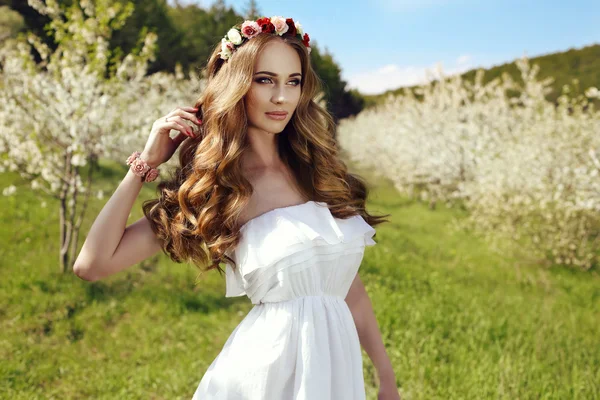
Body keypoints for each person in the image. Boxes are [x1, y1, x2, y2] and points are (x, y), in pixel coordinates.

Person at [74, 15, 400, 400]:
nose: (281, 98)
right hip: (264, 378)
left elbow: (348, 287)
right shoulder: (216, 188)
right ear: (237, 85)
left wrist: (386, 377)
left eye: (292, 82)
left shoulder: (318, 172)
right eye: (265, 80)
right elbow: (92, 265)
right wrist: (144, 165)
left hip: (335, 376)